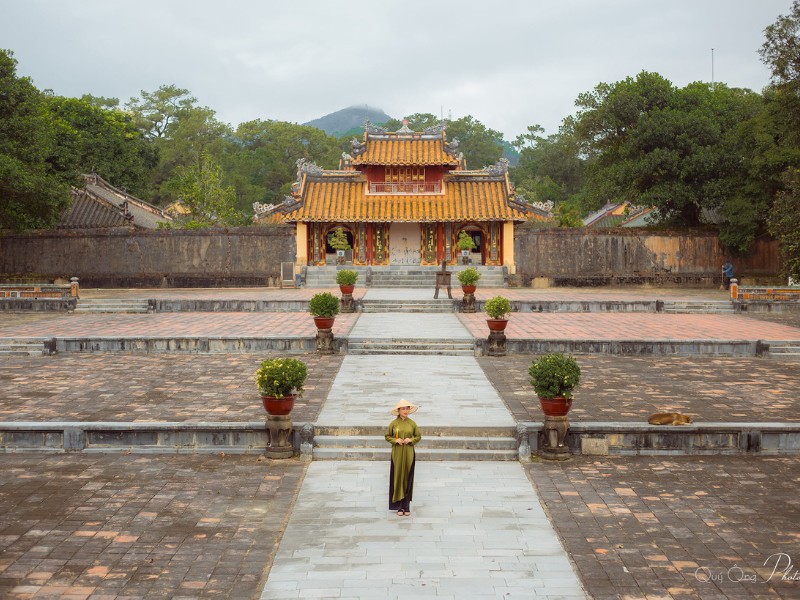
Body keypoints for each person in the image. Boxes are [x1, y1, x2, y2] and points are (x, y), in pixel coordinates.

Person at [385, 399, 421, 517]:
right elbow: (387, 436)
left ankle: (406, 505)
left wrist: (411, 440)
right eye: (403, 408)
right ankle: (399, 506)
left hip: (409, 454)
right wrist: (395, 440)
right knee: (397, 477)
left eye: (407, 408)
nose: (406, 411)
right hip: (397, 453)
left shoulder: (412, 423)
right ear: (398, 410)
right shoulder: (393, 424)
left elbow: (418, 436)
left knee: (407, 478)